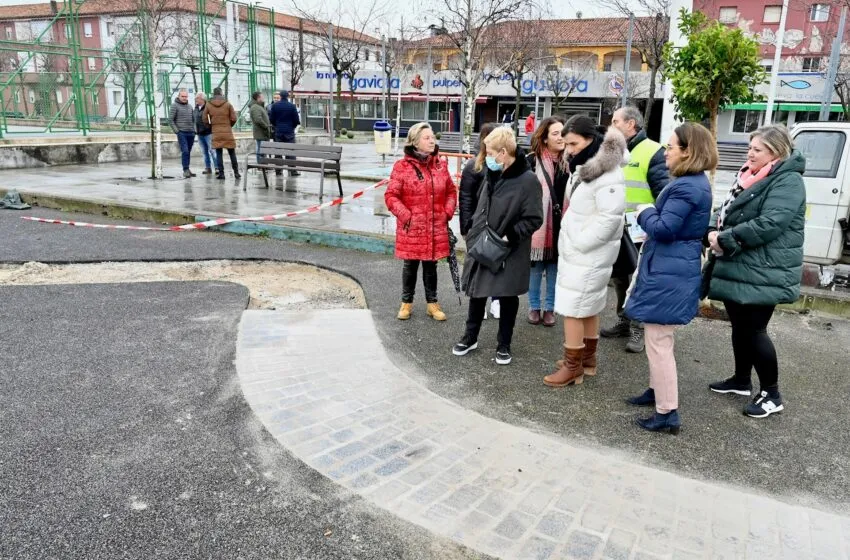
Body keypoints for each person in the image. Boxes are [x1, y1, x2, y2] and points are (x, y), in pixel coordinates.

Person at [705, 125, 805, 419]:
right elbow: (727, 209)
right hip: (742, 263)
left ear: (775, 152)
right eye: (750, 147)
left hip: (766, 268)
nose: (749, 153)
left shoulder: (787, 181)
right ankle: (740, 380)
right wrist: (713, 229)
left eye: (756, 149)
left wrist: (724, 239)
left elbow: (771, 223)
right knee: (740, 327)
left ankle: (772, 394)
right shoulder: (749, 177)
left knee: (755, 331)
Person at [622, 123, 716, 434]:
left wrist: (644, 211)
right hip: (671, 267)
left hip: (670, 270)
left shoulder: (687, 186)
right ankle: (656, 392)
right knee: (658, 338)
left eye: (672, 147)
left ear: (689, 151)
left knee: (659, 341)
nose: (666, 152)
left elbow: (663, 228)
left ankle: (666, 412)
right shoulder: (692, 183)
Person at [544, 118, 626, 387]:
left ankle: (572, 367)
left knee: (573, 309)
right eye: (566, 143)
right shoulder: (587, 168)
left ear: (591, 140)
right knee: (587, 307)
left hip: (588, 254)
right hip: (583, 253)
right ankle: (585, 360)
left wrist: (579, 243)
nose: (568, 149)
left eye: (573, 143)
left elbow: (610, 219)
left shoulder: (608, 174)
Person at [453, 127, 544, 365]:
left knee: (506, 295)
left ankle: (504, 344)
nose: (486, 157)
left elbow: (534, 218)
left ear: (503, 153)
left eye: (490, 152)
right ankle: (470, 337)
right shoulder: (492, 173)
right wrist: (473, 231)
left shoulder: (528, 181)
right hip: (483, 243)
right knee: (477, 290)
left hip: (508, 248)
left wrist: (510, 236)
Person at [601, 105, 670, 353]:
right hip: (617, 226)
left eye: (616, 121)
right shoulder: (614, 151)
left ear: (631, 124)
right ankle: (624, 319)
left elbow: (664, 192)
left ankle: (639, 328)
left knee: (640, 280)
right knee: (621, 277)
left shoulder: (653, 151)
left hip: (642, 229)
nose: (612, 125)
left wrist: (656, 223)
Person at [385, 122, 458, 322]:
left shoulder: (440, 165)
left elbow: (451, 191)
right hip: (412, 228)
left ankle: (432, 304)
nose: (432, 140)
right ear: (415, 142)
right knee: (410, 266)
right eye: (427, 138)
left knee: (431, 265)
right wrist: (407, 216)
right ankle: (406, 303)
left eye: (432, 136)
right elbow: (391, 196)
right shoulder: (402, 167)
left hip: (435, 226)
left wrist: (447, 212)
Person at [526, 115, 568, 327]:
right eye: (555, 134)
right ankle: (534, 307)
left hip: (561, 224)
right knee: (535, 268)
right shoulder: (531, 160)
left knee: (554, 269)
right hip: (537, 224)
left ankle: (550, 309)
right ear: (544, 138)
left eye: (563, 133)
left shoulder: (570, 161)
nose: (561, 137)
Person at [458, 122, 500, 320]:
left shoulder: (505, 165)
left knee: (497, 264)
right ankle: (478, 301)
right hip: (477, 225)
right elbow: (465, 198)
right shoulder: (473, 166)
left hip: (497, 226)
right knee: (477, 264)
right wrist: (466, 226)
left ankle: (496, 300)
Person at [202, 87, 240, 180]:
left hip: (216, 131)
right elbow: (234, 118)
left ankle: (221, 174)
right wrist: (229, 125)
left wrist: (211, 126)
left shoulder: (208, 105)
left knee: (219, 153)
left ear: (213, 94)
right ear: (221, 93)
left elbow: (204, 119)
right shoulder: (227, 104)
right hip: (227, 131)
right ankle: (236, 173)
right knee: (232, 152)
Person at [268, 90, 301, 176]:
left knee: (278, 151)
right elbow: (297, 120)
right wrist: (292, 127)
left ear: (281, 96)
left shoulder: (275, 106)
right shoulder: (292, 106)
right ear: (288, 96)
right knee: (290, 151)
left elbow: (271, 119)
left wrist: (277, 126)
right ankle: (292, 170)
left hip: (278, 132)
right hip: (289, 132)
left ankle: (278, 171)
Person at [169, 88, 196, 178]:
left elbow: (193, 120)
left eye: (186, 96)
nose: (184, 98)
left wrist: (194, 130)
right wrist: (177, 131)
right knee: (185, 151)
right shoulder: (174, 106)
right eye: (182, 96)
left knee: (188, 151)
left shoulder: (190, 106)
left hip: (191, 132)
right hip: (182, 133)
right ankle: (185, 170)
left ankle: (187, 169)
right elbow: (170, 120)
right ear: (179, 96)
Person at [194, 93, 215, 175]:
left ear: (202, 99)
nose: (196, 100)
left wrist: (208, 128)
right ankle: (208, 168)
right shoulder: (196, 108)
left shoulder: (208, 107)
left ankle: (217, 167)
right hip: (199, 134)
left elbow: (211, 120)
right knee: (204, 152)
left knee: (212, 151)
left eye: (197, 98)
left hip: (208, 133)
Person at [249, 91, 272, 163]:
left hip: (262, 132)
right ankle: (261, 165)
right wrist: (265, 126)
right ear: (258, 98)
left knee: (262, 149)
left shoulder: (259, 106)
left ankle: (263, 164)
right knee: (260, 149)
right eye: (262, 96)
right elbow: (258, 120)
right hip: (261, 132)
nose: (263, 98)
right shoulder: (255, 107)